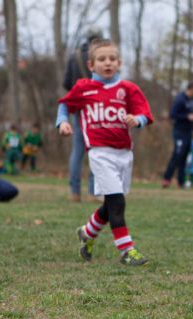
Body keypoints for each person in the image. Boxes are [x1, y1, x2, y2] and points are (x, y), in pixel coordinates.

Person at [57, 38, 154, 266]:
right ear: (91, 65)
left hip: (124, 154)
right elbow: (64, 105)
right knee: (118, 203)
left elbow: (145, 114)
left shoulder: (128, 89)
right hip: (100, 153)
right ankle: (127, 251)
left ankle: (87, 232)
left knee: (112, 203)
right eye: (102, 59)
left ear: (119, 62)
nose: (107, 63)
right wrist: (62, 122)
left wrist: (137, 119)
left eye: (112, 59)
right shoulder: (83, 87)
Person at [63, 27, 101, 202]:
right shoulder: (100, 55)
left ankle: (74, 192)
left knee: (77, 150)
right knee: (95, 149)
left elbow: (66, 83)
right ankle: (93, 192)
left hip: (79, 107)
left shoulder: (75, 56)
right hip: (97, 108)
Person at [162, 82, 193, 188]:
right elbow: (173, 114)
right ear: (191, 89)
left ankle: (180, 182)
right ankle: (166, 178)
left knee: (184, 157)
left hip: (188, 132)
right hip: (179, 132)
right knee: (177, 155)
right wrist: (186, 116)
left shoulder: (192, 101)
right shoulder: (180, 99)